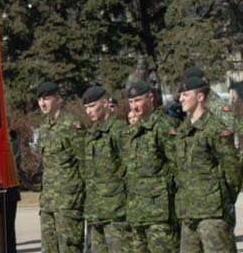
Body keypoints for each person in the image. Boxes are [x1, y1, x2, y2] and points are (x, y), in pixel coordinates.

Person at [173, 77, 241, 253]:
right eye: (181, 95)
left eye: (186, 95)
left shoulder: (215, 128)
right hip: (188, 213)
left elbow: (232, 169)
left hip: (212, 213)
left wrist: (224, 199)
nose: (181, 99)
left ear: (200, 97)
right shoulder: (182, 131)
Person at [124, 80, 179, 252]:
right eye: (131, 102)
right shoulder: (134, 131)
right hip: (136, 212)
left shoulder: (163, 126)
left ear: (151, 98)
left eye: (138, 101)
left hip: (159, 215)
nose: (134, 107)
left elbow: (178, 166)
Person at [36, 82, 85, 253]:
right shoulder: (44, 128)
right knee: (48, 248)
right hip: (48, 201)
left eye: (47, 99)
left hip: (68, 202)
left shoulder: (71, 125)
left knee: (69, 248)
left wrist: (80, 196)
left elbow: (84, 162)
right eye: (40, 99)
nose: (43, 103)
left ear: (58, 99)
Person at [81, 86, 130, 253]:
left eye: (92, 106)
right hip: (95, 210)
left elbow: (129, 167)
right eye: (86, 107)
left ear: (104, 103)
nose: (89, 111)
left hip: (115, 211)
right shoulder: (91, 133)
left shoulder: (119, 130)